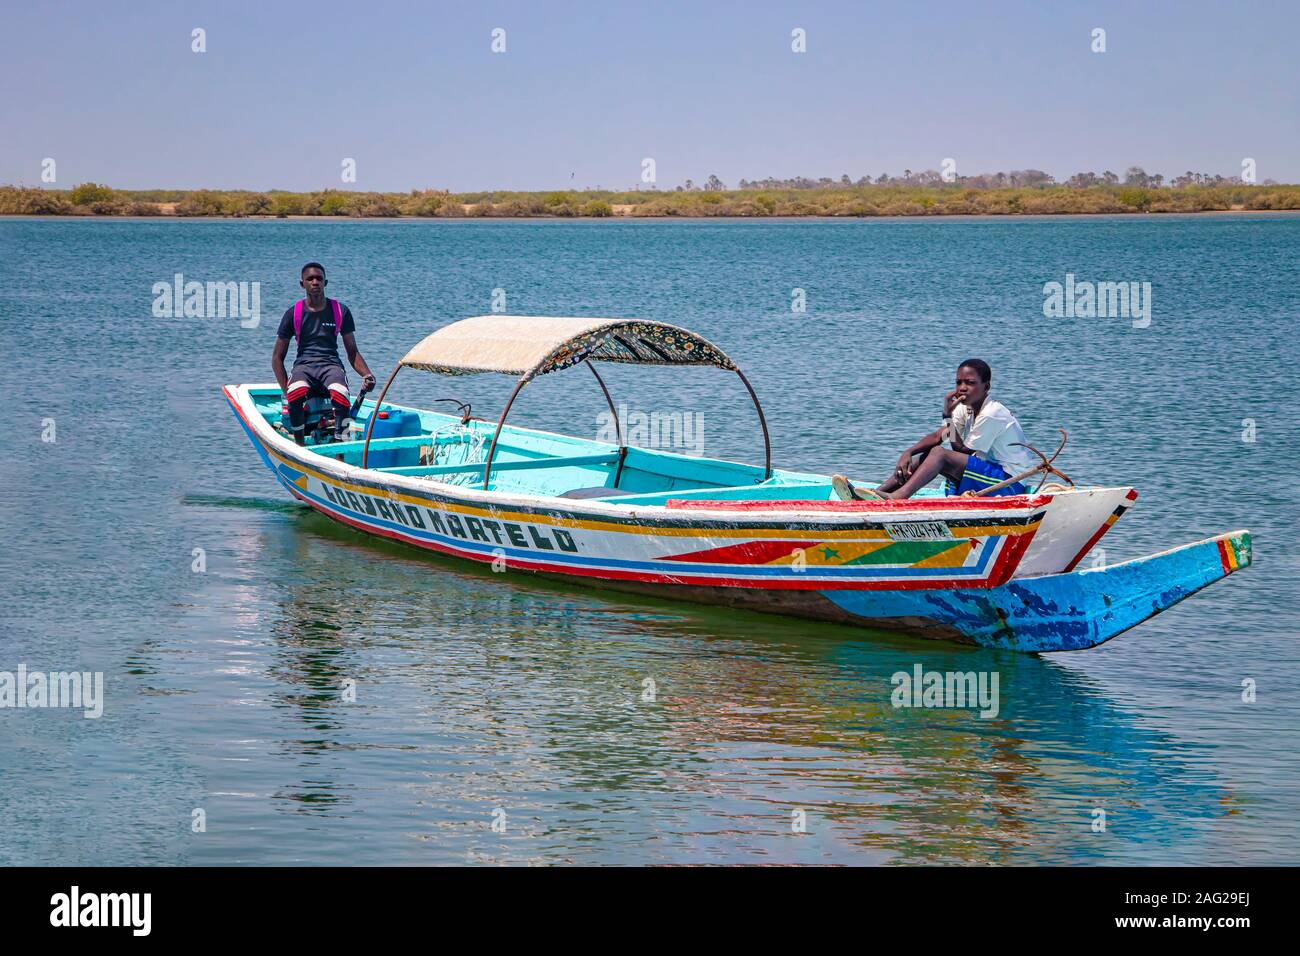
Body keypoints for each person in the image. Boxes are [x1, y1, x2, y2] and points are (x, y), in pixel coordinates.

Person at [832, 359, 1037, 500]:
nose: (963, 388)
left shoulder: (992, 412)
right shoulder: (966, 408)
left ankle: (898, 497)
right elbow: (941, 435)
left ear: (986, 387)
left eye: (971, 383)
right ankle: (872, 495)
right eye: (959, 382)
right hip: (989, 471)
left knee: (939, 454)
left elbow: (960, 450)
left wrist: (947, 417)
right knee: (930, 454)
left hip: (1008, 482)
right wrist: (909, 452)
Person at [272, 262, 375, 444]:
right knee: (295, 394)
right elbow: (277, 359)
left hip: (331, 365)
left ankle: (340, 450)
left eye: (319, 278)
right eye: (310, 279)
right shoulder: (293, 314)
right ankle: (299, 445)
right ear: (302, 284)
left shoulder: (340, 311)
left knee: (341, 395)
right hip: (304, 366)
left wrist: (367, 374)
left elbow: (352, 352)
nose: (315, 282)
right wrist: (286, 392)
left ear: (325, 283)